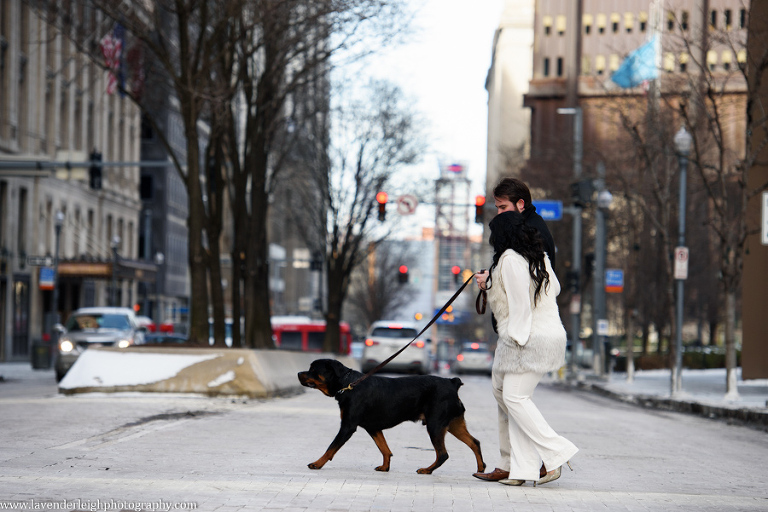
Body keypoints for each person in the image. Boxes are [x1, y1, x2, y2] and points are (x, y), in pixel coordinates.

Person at [472, 211, 578, 486]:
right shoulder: (538, 255)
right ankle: (523, 468)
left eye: (493, 233)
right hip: (549, 335)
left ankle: (556, 452)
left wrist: (516, 339)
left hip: (527, 339)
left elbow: (521, 304)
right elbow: (553, 288)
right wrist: (492, 284)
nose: (491, 239)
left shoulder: (508, 258)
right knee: (509, 398)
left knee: (515, 398)